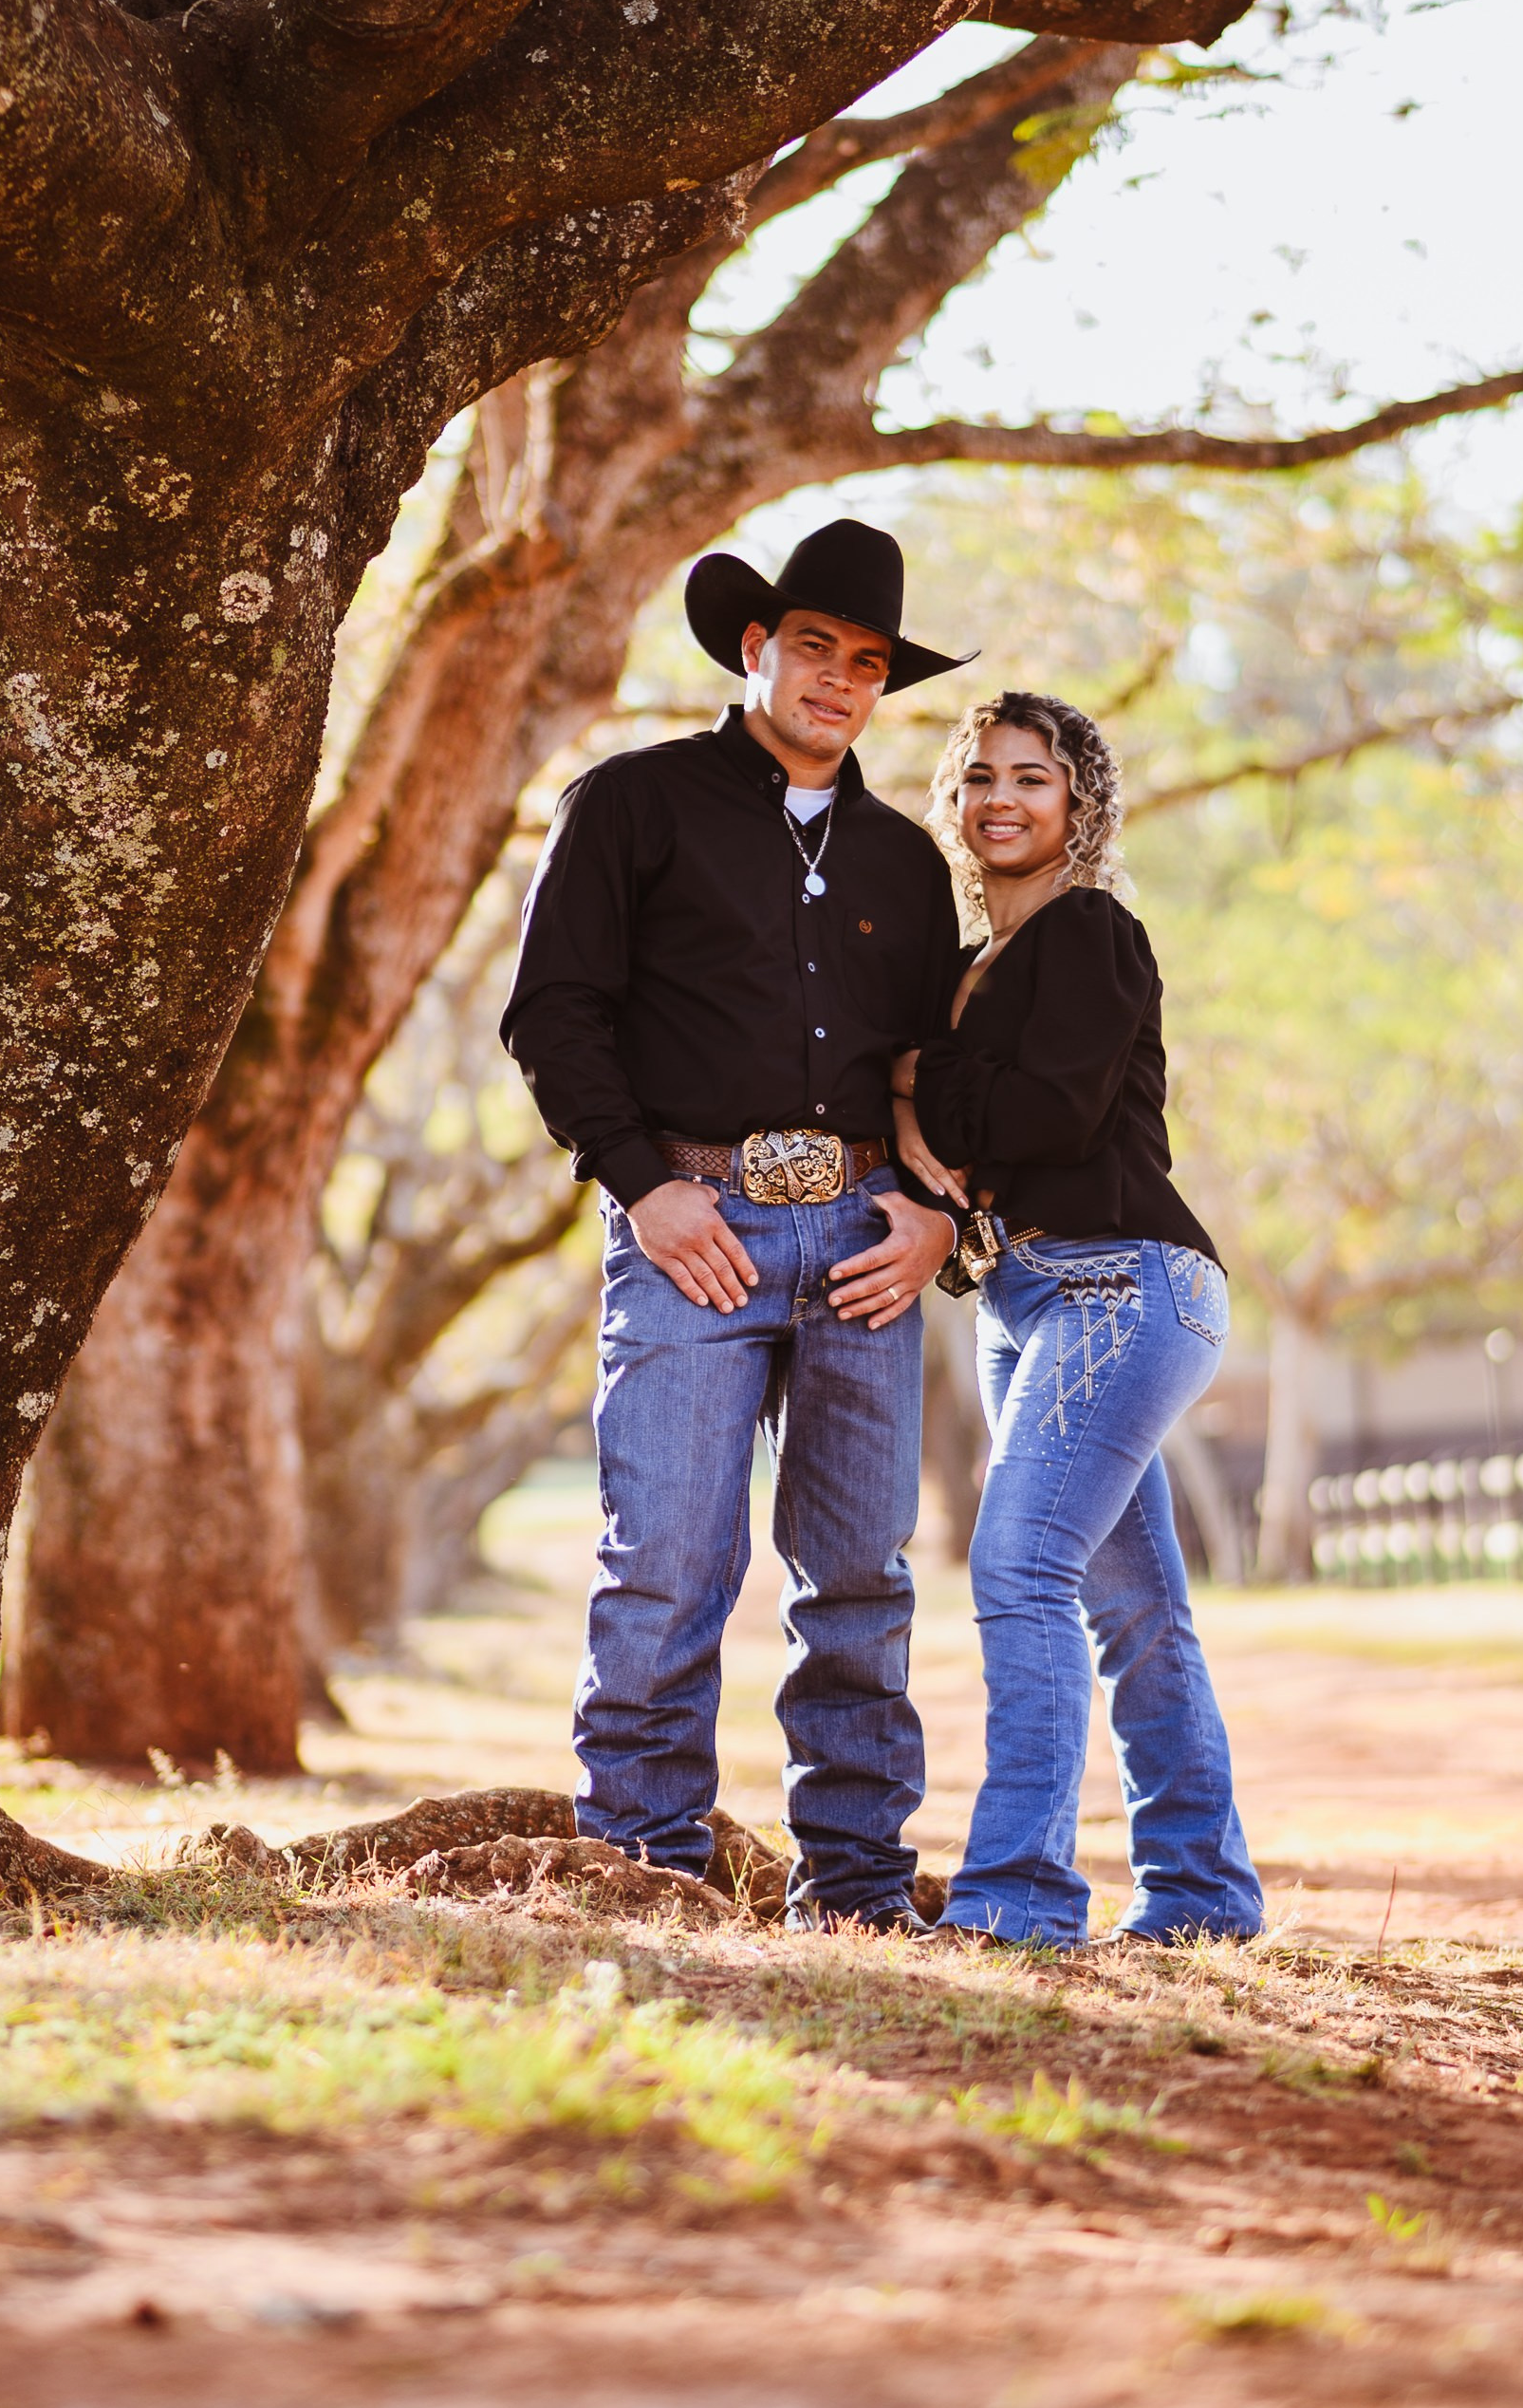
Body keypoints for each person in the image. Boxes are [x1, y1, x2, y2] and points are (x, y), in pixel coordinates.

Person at [502, 519, 974, 1932]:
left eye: (868, 663)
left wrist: (935, 1216)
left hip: (865, 1245)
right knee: (666, 1559)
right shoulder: (631, 804)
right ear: (756, 648)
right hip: (689, 1229)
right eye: (815, 647)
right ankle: (647, 1872)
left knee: (859, 1578)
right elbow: (552, 1012)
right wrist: (641, 1184)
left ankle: (858, 1886)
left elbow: (935, 1071)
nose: (839, 680)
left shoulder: (906, 864)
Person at [890, 691, 1263, 1950]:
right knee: (1134, 1607)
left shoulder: (1092, 932)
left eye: (1032, 779)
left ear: (1080, 804)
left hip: (1123, 1285)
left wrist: (918, 1078)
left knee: (1019, 1566)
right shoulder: (964, 969)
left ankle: (1021, 1895)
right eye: (980, 777)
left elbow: (1050, 1116)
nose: (1001, 799)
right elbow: (963, 1120)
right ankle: (1202, 1894)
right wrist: (916, 1083)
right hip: (1021, 1298)